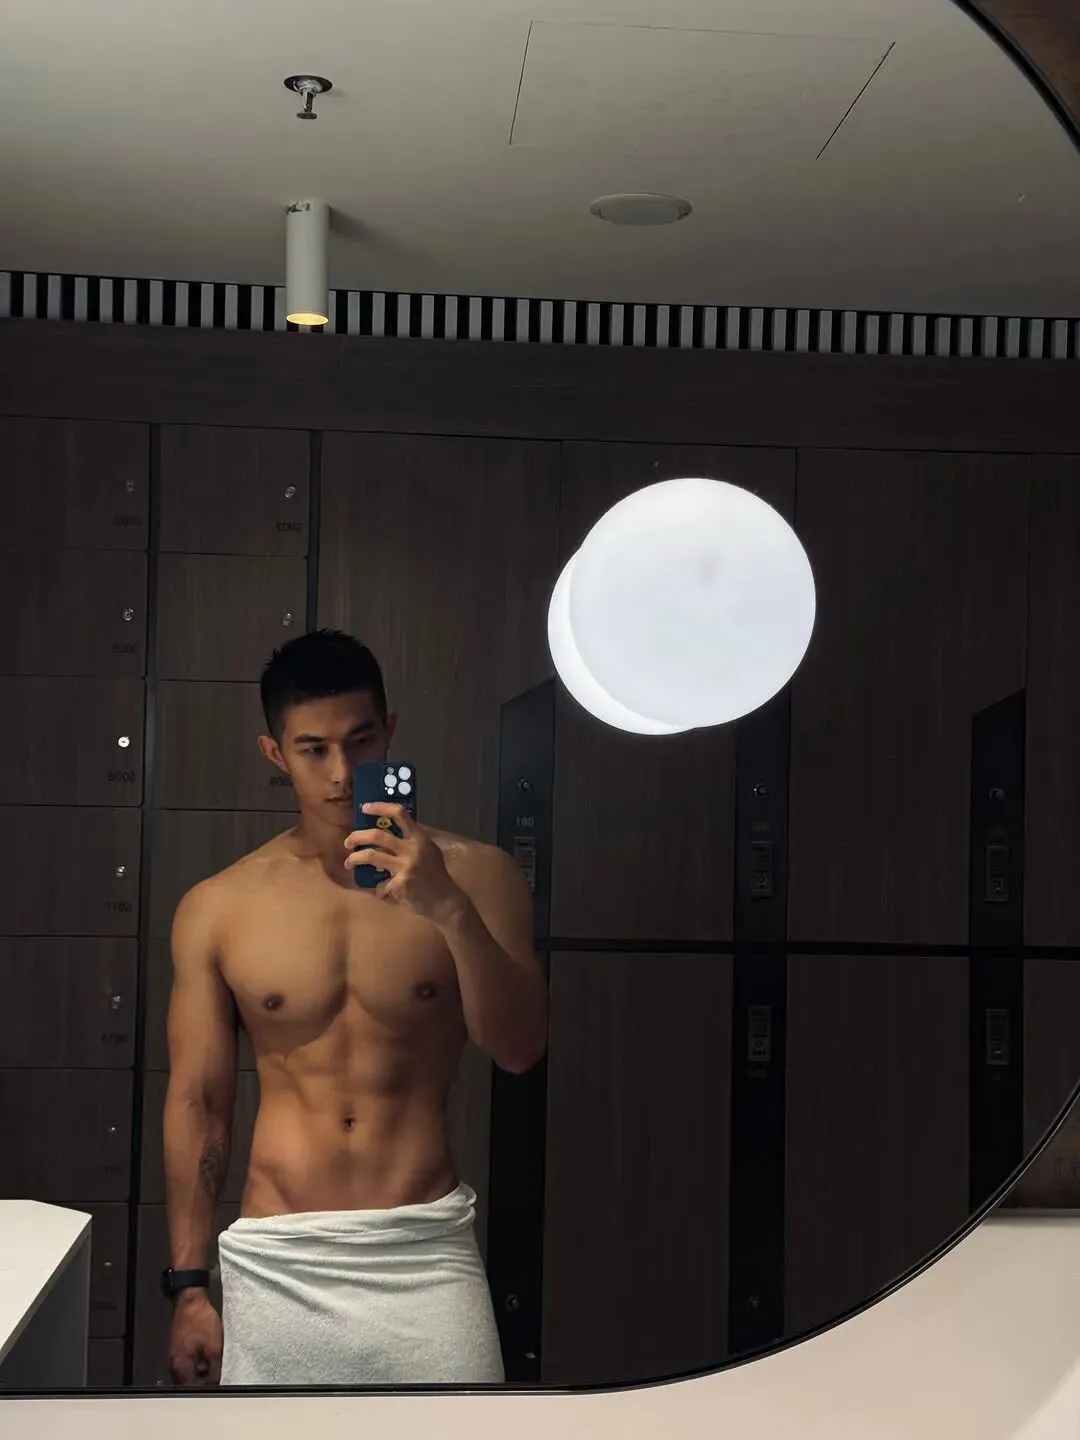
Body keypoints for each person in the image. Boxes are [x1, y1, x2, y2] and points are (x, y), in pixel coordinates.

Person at [162, 628, 547, 1387]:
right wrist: (190, 1286)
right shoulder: (219, 906)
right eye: (313, 750)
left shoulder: (480, 876)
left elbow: (519, 1047)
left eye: (360, 741)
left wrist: (448, 908)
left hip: (424, 1249)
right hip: (278, 1253)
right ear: (275, 753)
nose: (341, 773)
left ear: (390, 731)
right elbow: (200, 1103)